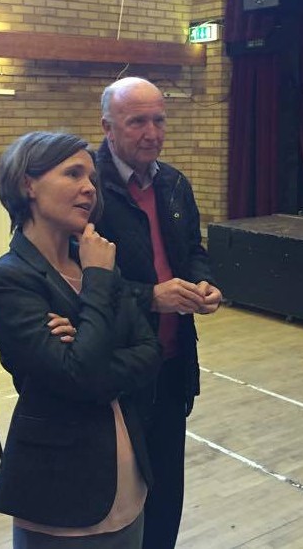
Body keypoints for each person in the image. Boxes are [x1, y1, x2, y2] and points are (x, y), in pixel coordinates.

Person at [0, 131, 162, 548]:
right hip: (61, 499)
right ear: (28, 184)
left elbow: (149, 352)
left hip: (128, 485)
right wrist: (97, 281)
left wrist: (86, 348)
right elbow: (79, 378)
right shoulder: (10, 280)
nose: (89, 188)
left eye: (92, 178)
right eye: (73, 173)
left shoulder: (95, 259)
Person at [94, 77, 221, 549]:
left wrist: (203, 281)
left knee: (167, 492)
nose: (152, 132)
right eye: (137, 122)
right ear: (107, 126)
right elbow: (75, 286)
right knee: (118, 499)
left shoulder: (172, 182)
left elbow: (192, 251)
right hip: (118, 371)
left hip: (171, 364)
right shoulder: (86, 187)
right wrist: (151, 297)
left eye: (159, 120)